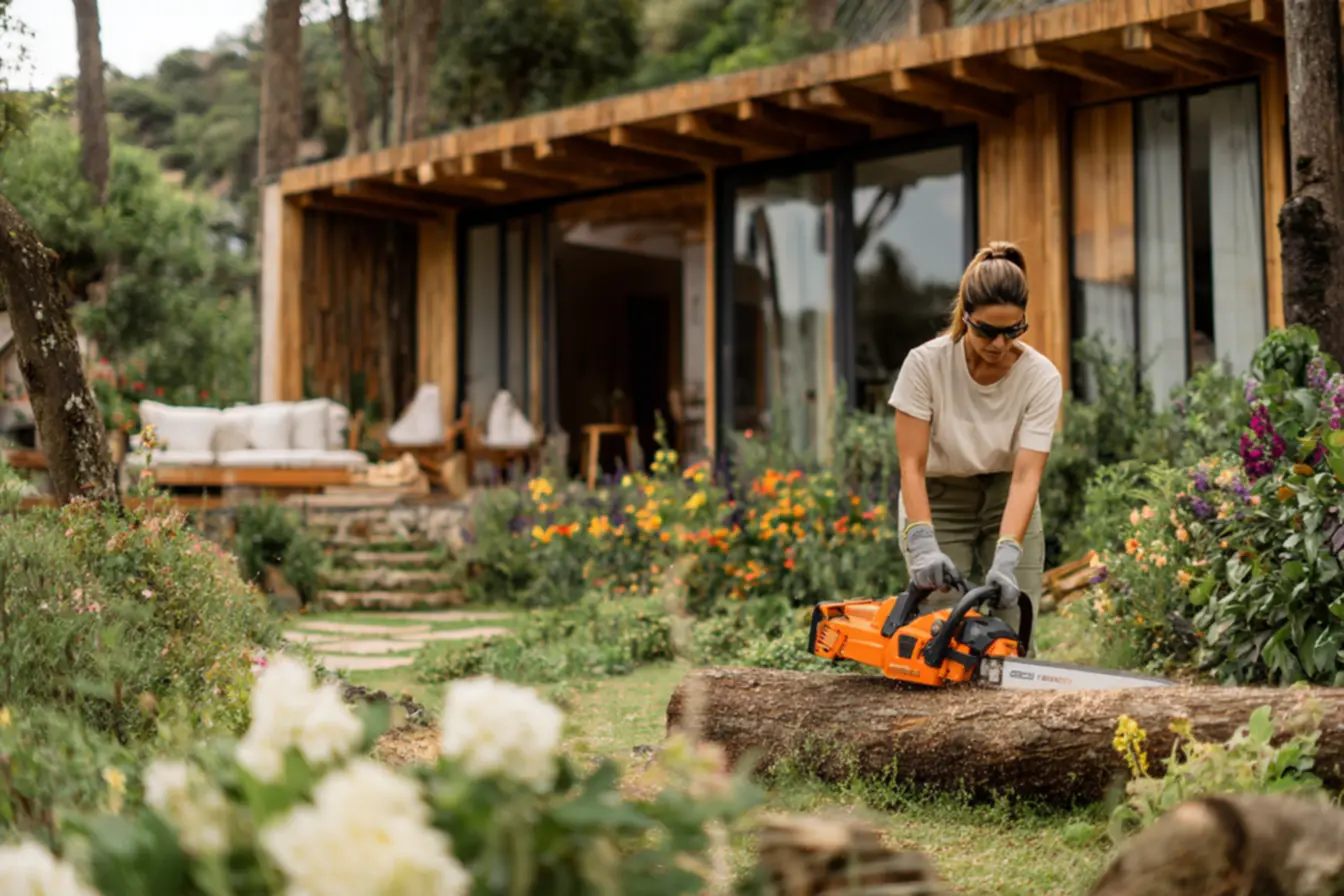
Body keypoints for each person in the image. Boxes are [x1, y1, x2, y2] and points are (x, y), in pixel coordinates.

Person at [887, 241, 1063, 653]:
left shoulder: (1041, 377)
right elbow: (911, 465)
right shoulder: (925, 365)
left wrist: (1007, 554)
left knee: (1014, 627)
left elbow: (1026, 476)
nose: (999, 344)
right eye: (987, 330)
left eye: (1013, 331)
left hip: (1007, 493)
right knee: (944, 630)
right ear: (965, 316)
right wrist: (922, 542)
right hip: (939, 493)